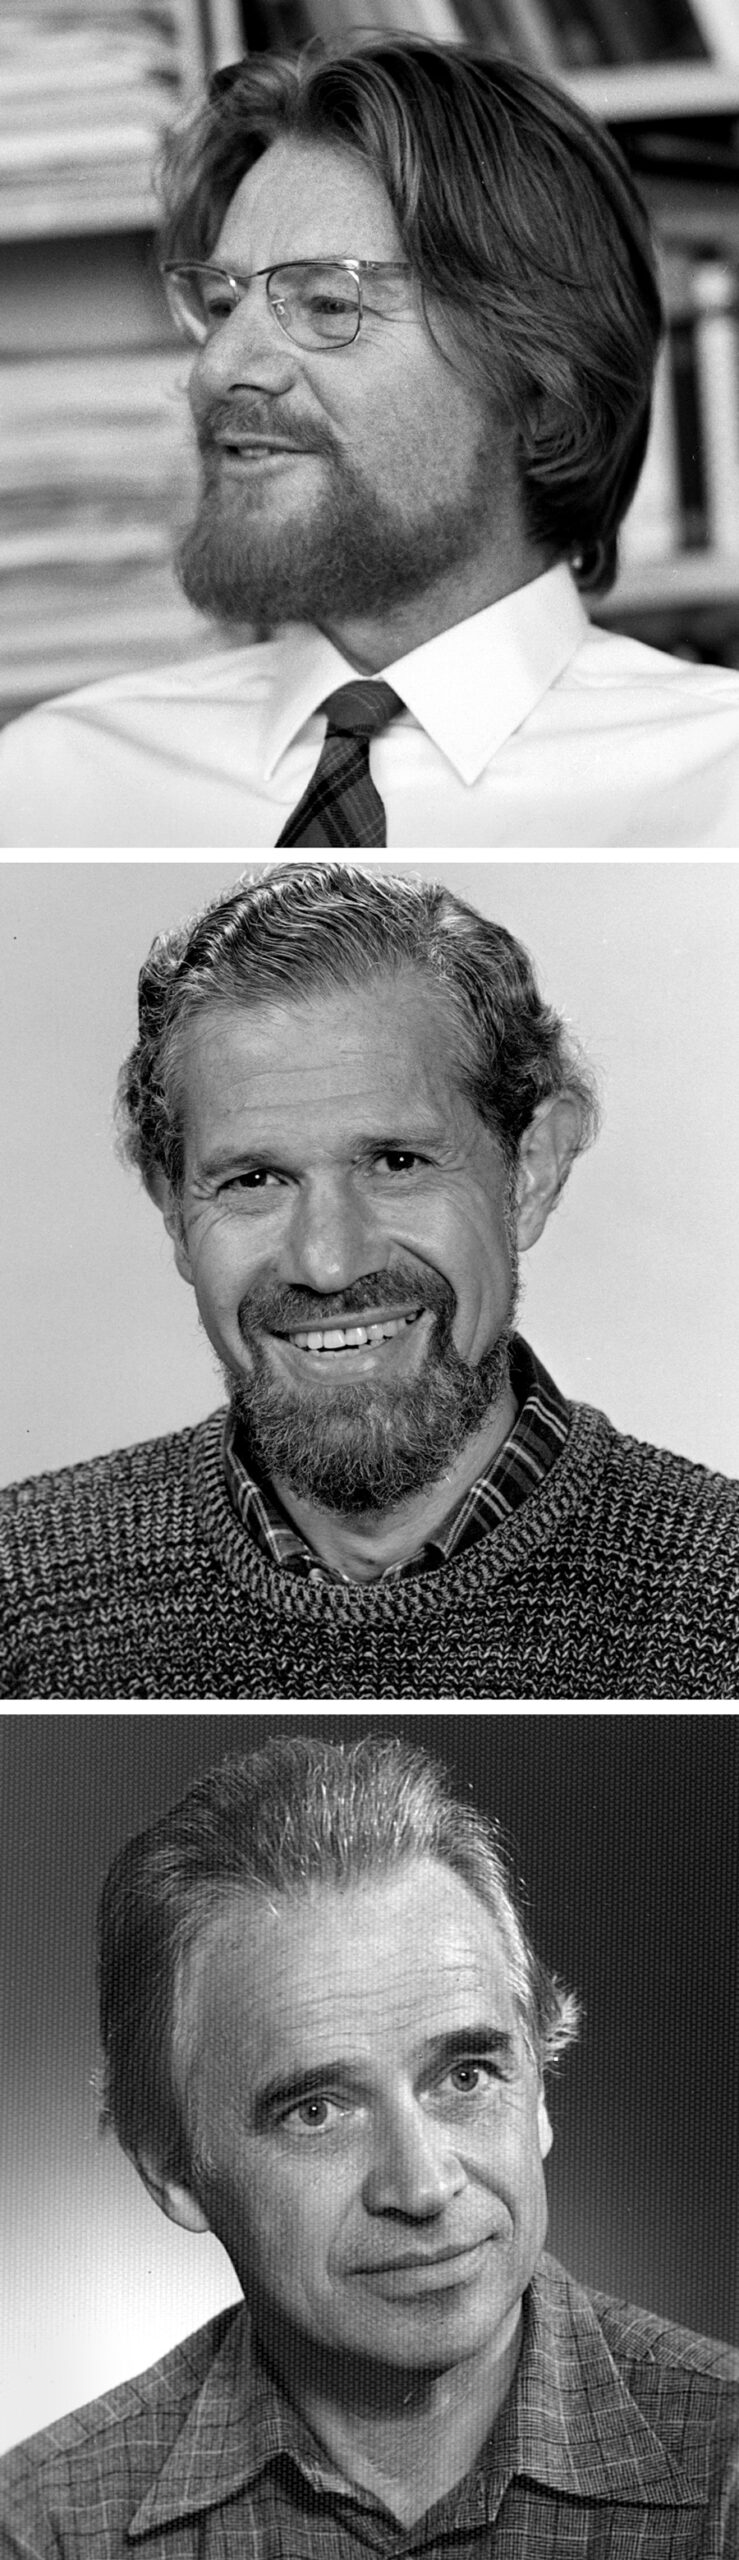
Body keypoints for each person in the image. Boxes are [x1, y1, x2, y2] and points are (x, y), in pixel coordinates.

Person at [1, 860, 738, 1701]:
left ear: (529, 1171)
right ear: (172, 1209)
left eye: (396, 1162)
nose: (328, 1262)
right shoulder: (21, 1593)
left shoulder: (718, 1596)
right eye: (253, 1180)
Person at [1, 1732, 737, 2558]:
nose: (422, 2189)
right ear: (171, 2170)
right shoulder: (43, 2529)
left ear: (536, 2088)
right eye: (315, 2112)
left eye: (464, 2077)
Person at [3, 38, 739, 849]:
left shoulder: (718, 793)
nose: (218, 368)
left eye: (326, 303)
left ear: (542, 385)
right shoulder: (49, 789)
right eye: (218, 304)